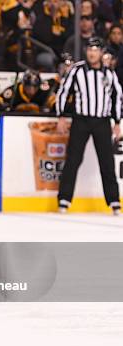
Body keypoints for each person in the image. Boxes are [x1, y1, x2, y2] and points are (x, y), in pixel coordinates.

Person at [56, 37, 122, 215]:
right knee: (73, 160)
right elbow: (63, 92)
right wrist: (61, 116)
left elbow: (117, 96)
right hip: (81, 120)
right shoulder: (77, 70)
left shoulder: (108, 73)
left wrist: (117, 122)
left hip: (102, 121)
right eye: (89, 49)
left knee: (107, 162)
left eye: (96, 49)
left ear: (101, 52)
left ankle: (114, 201)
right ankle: (64, 199)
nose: (92, 53)